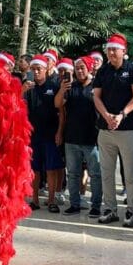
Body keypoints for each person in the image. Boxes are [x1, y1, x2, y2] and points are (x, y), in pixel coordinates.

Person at [92, 33, 133, 227]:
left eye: (115, 49)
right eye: (109, 48)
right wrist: (106, 116)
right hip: (105, 129)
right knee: (106, 172)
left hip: (127, 129)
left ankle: (131, 211)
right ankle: (110, 209)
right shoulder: (103, 71)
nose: (111, 52)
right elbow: (96, 96)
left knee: (130, 173)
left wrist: (121, 115)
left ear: (124, 51)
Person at [56, 56, 102, 217]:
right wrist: (62, 89)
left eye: (83, 67)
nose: (80, 71)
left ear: (89, 68)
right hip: (72, 138)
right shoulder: (71, 86)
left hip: (92, 138)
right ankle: (74, 204)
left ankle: (96, 206)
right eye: (77, 68)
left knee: (95, 174)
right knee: (73, 174)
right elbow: (57, 104)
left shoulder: (97, 86)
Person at [24, 56, 64, 212]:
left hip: (50, 134)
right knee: (34, 170)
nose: (35, 72)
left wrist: (60, 132)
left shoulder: (54, 86)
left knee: (51, 169)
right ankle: (34, 200)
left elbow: (61, 112)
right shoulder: (29, 88)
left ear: (46, 69)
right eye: (33, 69)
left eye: (38, 69)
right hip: (33, 135)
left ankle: (52, 200)